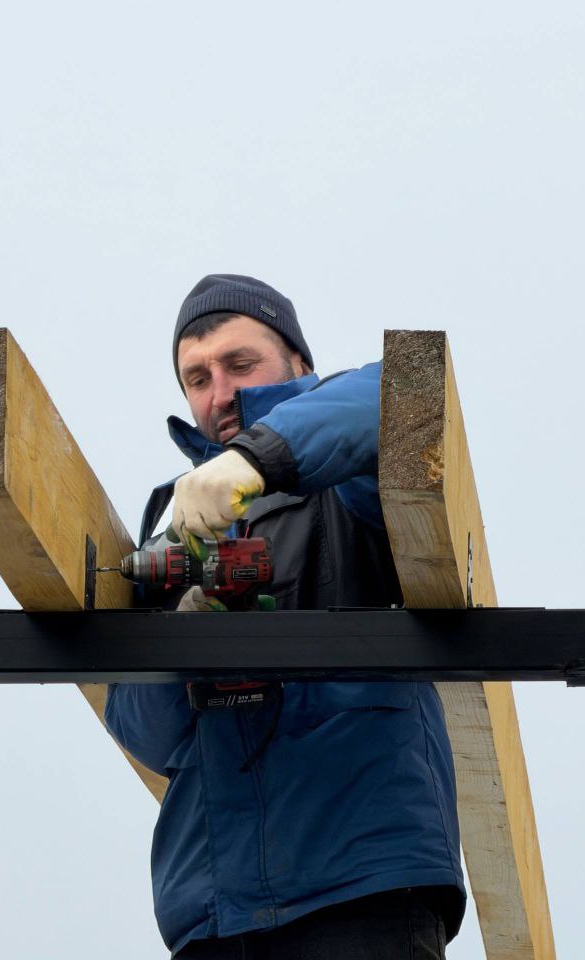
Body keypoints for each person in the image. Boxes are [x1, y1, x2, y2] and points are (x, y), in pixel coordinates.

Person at [105, 274, 466, 959]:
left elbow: (402, 392)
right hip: (213, 913)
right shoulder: (173, 527)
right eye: (198, 377)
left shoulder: (348, 476)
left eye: (242, 364)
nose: (221, 392)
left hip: (359, 888)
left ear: (300, 364)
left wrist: (258, 459)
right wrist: (186, 629)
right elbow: (148, 735)